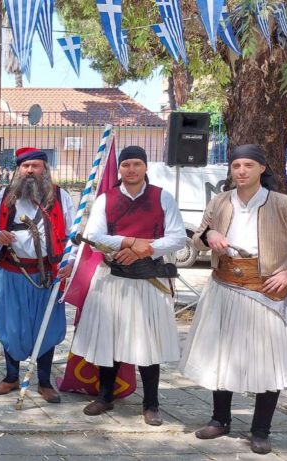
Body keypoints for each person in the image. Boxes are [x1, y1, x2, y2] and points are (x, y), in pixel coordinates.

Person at [180, 144, 287, 454]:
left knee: (268, 360)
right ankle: (220, 419)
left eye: (248, 165)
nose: (242, 171)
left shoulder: (284, 204)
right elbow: (198, 237)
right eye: (236, 166)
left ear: (262, 168)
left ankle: (261, 430)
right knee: (221, 355)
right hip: (224, 287)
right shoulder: (220, 202)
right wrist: (209, 236)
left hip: (267, 292)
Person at [70, 146, 186, 425]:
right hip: (113, 278)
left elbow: (178, 238)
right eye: (126, 165)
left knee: (148, 343)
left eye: (136, 164)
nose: (131, 170)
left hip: (148, 280)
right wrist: (129, 243)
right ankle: (105, 396)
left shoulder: (162, 197)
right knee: (109, 338)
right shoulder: (106, 199)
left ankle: (151, 404)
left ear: (145, 167)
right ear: (120, 168)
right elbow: (94, 235)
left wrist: (146, 250)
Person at [0, 147, 75, 404]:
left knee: (46, 326)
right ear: (18, 170)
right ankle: (11, 377)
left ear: (45, 169)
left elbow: (73, 234)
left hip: (47, 275)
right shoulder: (5, 196)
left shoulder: (61, 197)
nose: (30, 171)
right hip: (11, 273)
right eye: (25, 166)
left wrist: (70, 262)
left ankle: (44, 382)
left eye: (35, 166)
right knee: (11, 326)